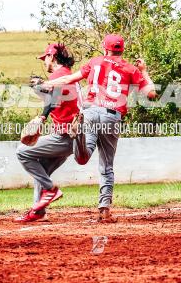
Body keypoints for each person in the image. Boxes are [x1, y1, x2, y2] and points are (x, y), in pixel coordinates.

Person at [42, 34, 156, 223]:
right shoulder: (131, 69)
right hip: (112, 116)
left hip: (91, 112)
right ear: (122, 50)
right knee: (106, 165)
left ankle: (77, 136)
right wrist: (143, 71)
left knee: (83, 158)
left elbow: (70, 78)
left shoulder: (95, 62)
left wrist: (47, 83)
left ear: (105, 48)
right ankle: (104, 209)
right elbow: (151, 93)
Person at [14, 43, 80, 223]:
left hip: (65, 136)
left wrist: (42, 117)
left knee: (22, 152)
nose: (45, 62)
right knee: (40, 171)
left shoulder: (58, 75)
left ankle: (51, 190)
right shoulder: (68, 74)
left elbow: (54, 100)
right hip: (73, 136)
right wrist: (40, 88)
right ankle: (38, 212)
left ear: (52, 57)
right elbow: (57, 98)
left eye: (46, 58)